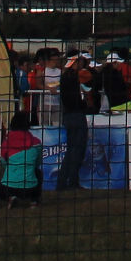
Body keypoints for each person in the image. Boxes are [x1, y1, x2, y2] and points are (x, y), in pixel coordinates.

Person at [57, 53, 92, 190]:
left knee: (72, 150)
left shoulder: (66, 76)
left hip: (69, 115)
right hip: (75, 115)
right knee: (76, 150)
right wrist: (84, 105)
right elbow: (74, 99)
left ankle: (66, 181)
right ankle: (70, 182)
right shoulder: (72, 77)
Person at [0, 109, 44, 208]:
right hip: (30, 188)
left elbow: (4, 163)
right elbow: (38, 162)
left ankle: (10, 197)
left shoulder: (6, 143)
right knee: (38, 173)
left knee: (1, 185)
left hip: (8, 188)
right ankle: (34, 201)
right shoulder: (36, 143)